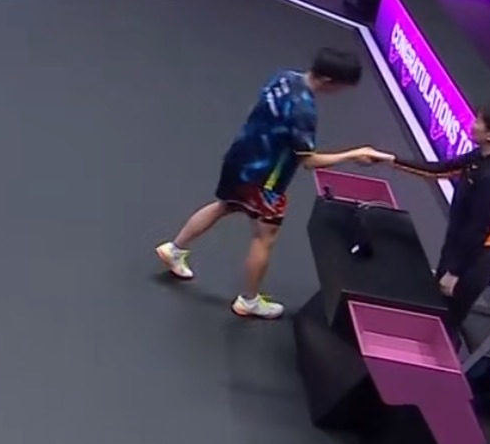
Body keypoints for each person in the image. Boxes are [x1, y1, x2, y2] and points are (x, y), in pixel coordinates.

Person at [156, 47, 390, 319]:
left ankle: (174, 249)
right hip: (265, 181)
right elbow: (309, 161)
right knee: (264, 238)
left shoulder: (283, 77)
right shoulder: (304, 111)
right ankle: (249, 301)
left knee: (224, 205)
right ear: (329, 80)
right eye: (342, 87)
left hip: (239, 158)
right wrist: (353, 154)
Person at [378, 100, 490, 339]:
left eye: (478, 121)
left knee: (445, 325)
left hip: (473, 262)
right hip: (458, 249)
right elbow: (439, 170)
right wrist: (389, 160)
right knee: (434, 309)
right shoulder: (481, 156)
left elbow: (479, 230)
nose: (472, 124)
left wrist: (454, 272)